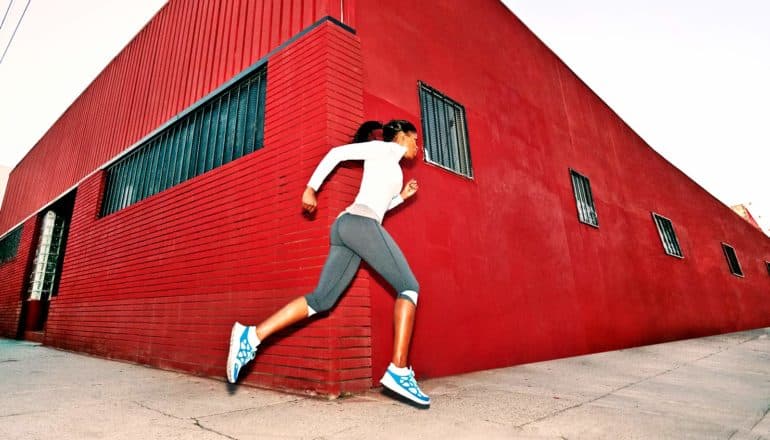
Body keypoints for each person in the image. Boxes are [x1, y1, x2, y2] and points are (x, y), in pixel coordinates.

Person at [225, 119, 430, 406]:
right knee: (409, 286)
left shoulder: (392, 167)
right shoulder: (383, 150)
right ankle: (398, 369)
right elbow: (336, 154)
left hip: (348, 226)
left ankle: (251, 336)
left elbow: (379, 206)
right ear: (403, 136)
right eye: (415, 140)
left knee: (321, 301)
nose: (417, 147)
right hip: (359, 223)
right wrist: (311, 188)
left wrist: (401, 198)